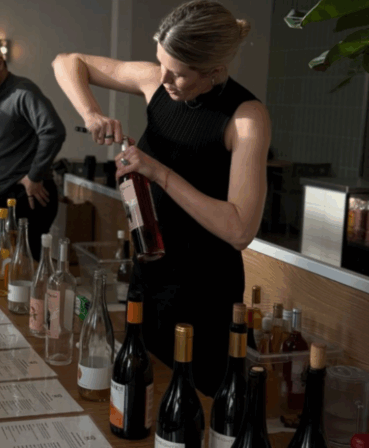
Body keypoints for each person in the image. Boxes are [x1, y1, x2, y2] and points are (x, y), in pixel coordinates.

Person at [52, 0, 272, 397]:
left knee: (193, 407)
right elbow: (67, 62)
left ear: (214, 69)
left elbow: (240, 230)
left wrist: (159, 172)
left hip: (205, 292)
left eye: (180, 73)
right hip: (149, 275)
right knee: (138, 393)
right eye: (161, 63)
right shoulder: (156, 80)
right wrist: (92, 113)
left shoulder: (246, 118)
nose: (164, 78)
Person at [0, 37, 66, 260]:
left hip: (28, 196)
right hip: (2, 195)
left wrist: (34, 176)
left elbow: (53, 131)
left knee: (23, 268)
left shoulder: (22, 92)